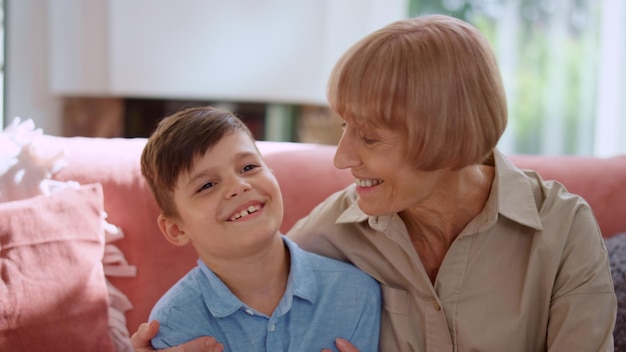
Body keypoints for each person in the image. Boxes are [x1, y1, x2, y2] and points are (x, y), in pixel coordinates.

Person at [132, 14, 617, 352]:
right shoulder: (333, 232)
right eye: (344, 127)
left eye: (369, 137)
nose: (342, 158)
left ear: (446, 136)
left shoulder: (562, 230)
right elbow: (248, 270)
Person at [138, 105, 381, 351]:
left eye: (248, 168)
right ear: (176, 229)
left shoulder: (357, 293)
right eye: (207, 185)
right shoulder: (174, 322)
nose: (239, 186)